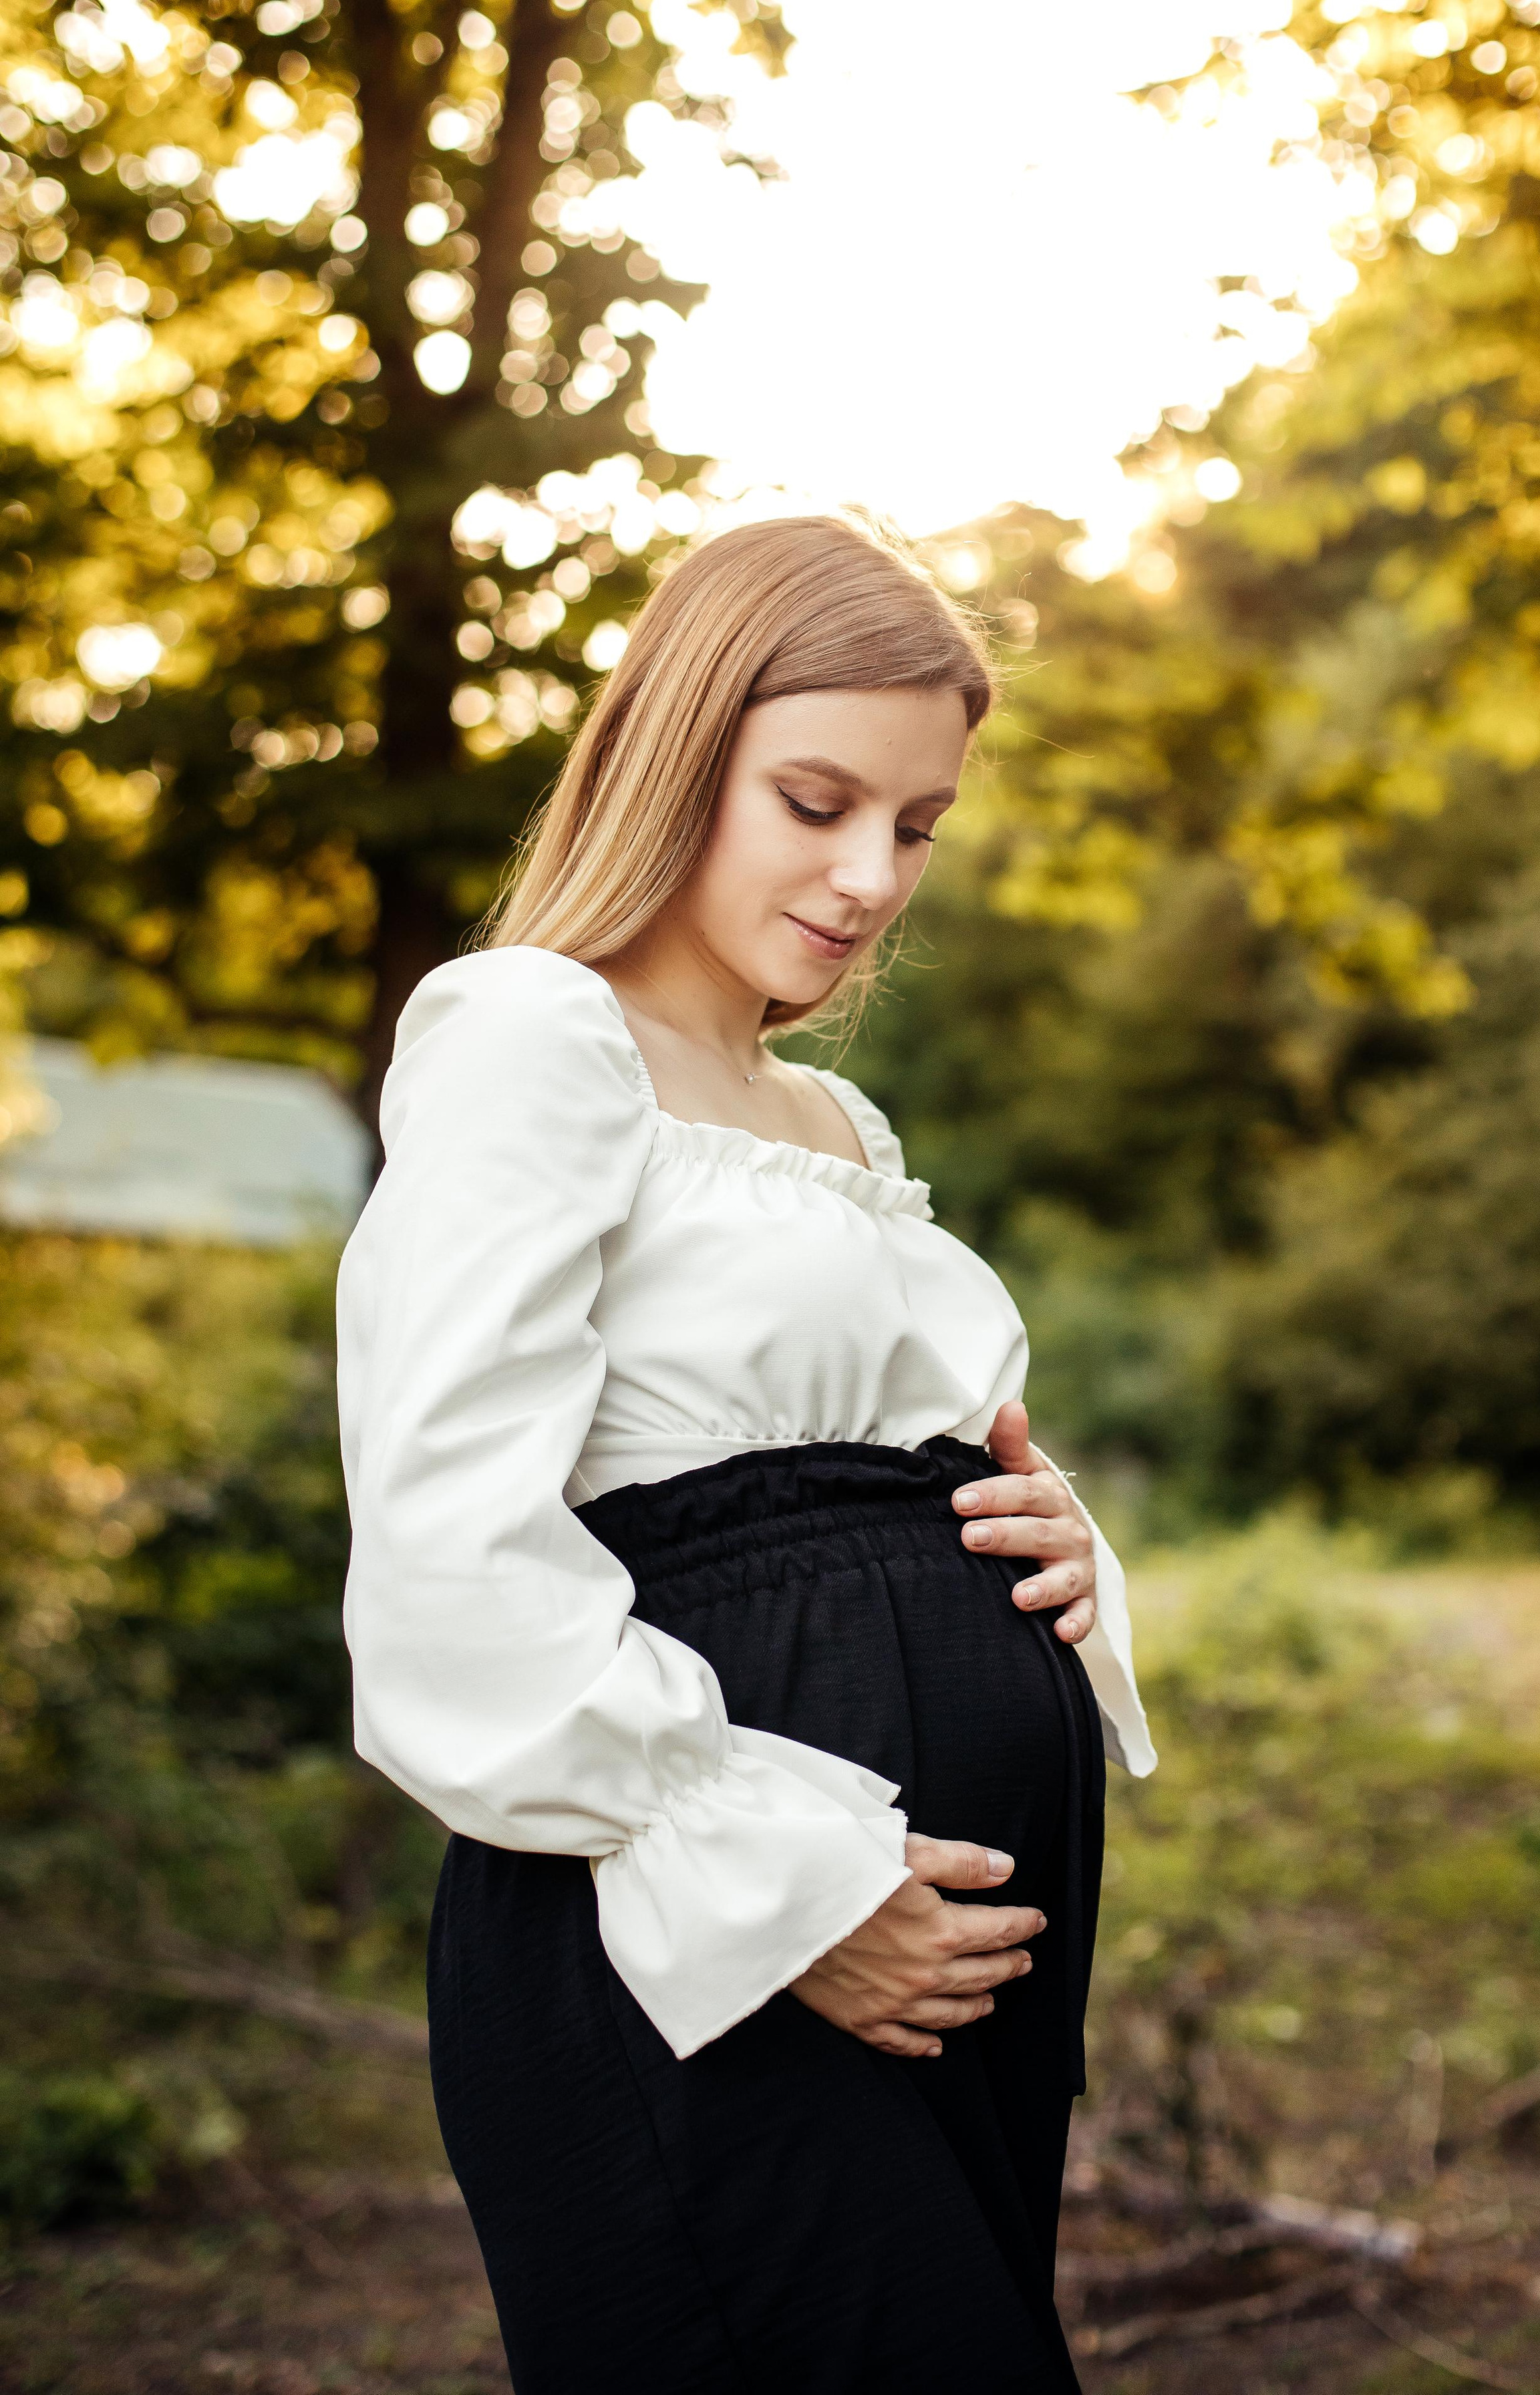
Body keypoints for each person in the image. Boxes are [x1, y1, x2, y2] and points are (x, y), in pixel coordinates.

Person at [337, 512, 1155, 2395]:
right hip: (702, 1939)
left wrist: (1048, 1546)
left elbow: (823, 1468)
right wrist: (796, 1893)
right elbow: (449, 1550)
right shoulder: (536, 1036)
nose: (873, 875)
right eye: (816, 800)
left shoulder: (840, 1126)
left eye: (919, 823)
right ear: (679, 749)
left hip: (952, 1963)